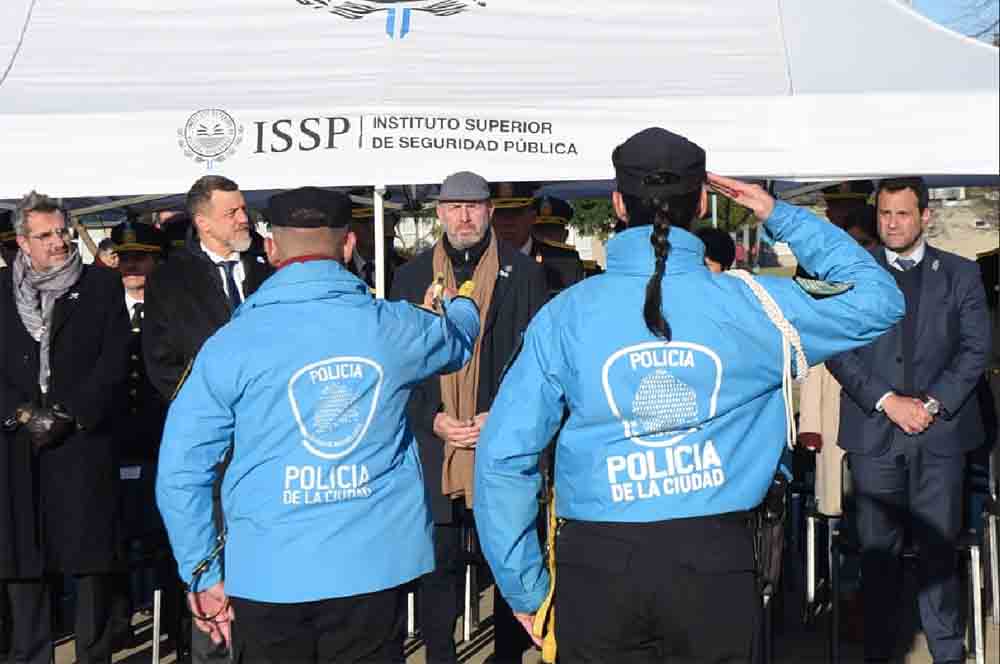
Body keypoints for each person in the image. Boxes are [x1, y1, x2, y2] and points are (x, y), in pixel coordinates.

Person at [473, 127, 905, 663]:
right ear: (703, 201)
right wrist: (779, 214)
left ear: (616, 203)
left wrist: (525, 587)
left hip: (597, 564)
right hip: (714, 565)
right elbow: (879, 298)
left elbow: (503, 456)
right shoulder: (755, 303)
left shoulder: (566, 314)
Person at [156, 186, 481, 662]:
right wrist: (461, 305)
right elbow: (457, 340)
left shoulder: (230, 344)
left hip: (268, 571)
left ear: (271, 248)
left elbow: (181, 471)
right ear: (348, 245)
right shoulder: (392, 328)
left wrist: (202, 573)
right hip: (371, 567)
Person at [827, 176, 991, 664]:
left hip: (941, 438)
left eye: (902, 214)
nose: (892, 223)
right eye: (884, 214)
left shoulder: (961, 274)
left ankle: (947, 655)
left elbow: (976, 348)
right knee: (877, 559)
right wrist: (887, 401)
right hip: (875, 436)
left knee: (939, 559)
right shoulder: (853, 272)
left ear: (926, 216)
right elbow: (838, 346)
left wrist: (933, 403)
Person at [390, 171, 548, 664]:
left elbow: (536, 360)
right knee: (437, 567)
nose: (464, 216)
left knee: (508, 557)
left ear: (490, 213)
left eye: (473, 207)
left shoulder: (524, 275)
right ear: (437, 212)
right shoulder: (411, 276)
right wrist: (431, 417)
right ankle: (440, 654)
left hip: (500, 440)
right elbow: (400, 365)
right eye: (454, 206)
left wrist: (500, 414)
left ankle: (507, 655)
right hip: (436, 445)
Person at [143, 175, 273, 663]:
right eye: (232, 213)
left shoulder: (267, 267)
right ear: (201, 222)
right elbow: (162, 363)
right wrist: (219, 414)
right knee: (210, 566)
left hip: (268, 447)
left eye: (243, 209)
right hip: (208, 447)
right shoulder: (172, 278)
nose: (244, 219)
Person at [0, 191, 130, 664]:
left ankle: (93, 652)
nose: (58, 242)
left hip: (80, 440)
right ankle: (30, 652)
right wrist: (21, 412)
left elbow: (114, 360)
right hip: (17, 444)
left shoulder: (100, 286)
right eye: (45, 235)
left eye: (62, 231)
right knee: (23, 559)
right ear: (21, 242)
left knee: (90, 558)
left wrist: (70, 413)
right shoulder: (1, 290)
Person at [529, 196, 586, 294]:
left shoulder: (571, 264)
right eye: (539, 231)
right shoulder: (519, 259)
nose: (545, 238)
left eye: (552, 232)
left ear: (565, 235)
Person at [348, 202, 405, 292]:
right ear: (350, 226)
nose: (373, 228)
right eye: (365, 221)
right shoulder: (338, 269)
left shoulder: (405, 269)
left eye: (381, 220)